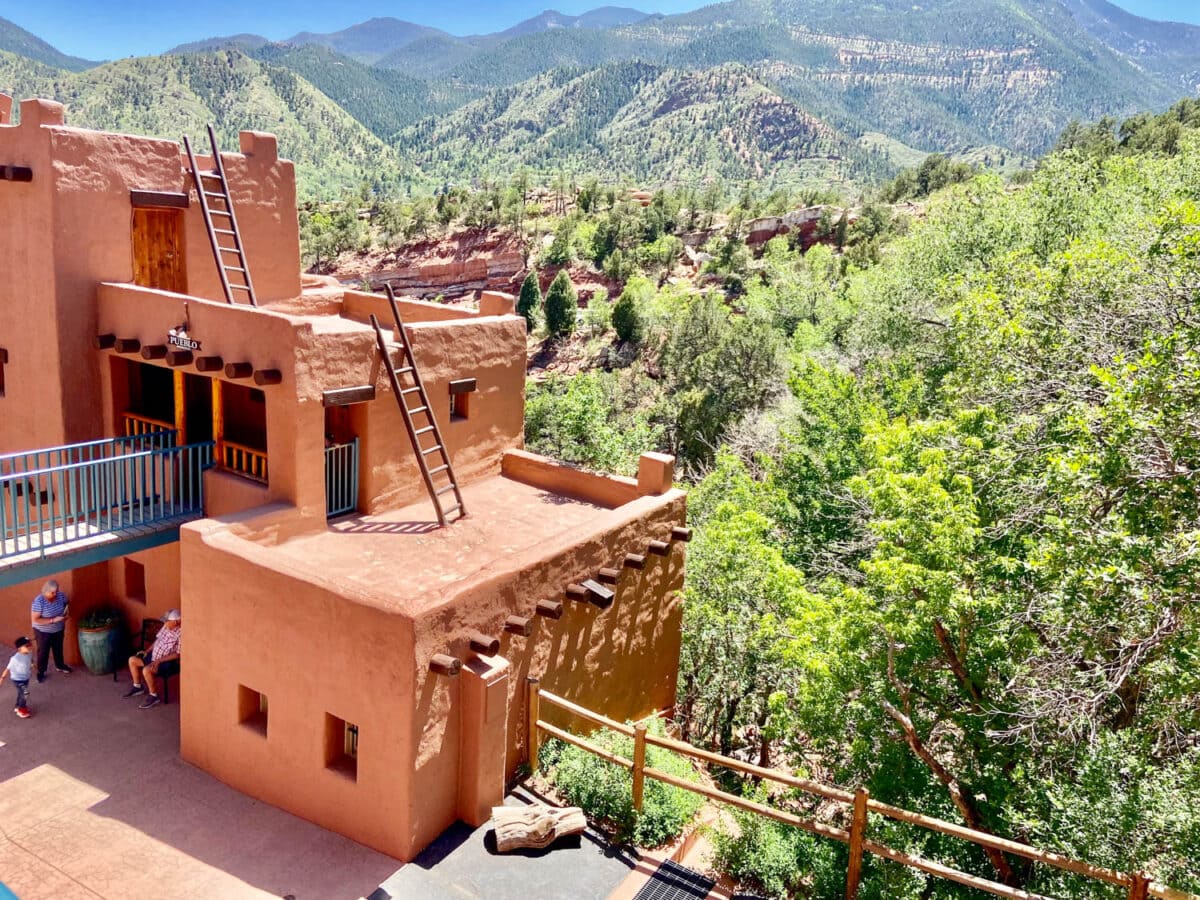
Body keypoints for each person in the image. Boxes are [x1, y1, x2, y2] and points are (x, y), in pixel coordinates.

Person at [122, 609, 181, 709]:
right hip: (153, 656)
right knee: (132, 660)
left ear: (175, 622)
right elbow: (158, 640)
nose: (164, 623)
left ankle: (154, 695)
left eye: (167, 621)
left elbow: (177, 654)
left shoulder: (181, 633)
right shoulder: (166, 627)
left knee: (146, 670)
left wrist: (159, 661)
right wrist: (147, 651)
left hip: (166, 662)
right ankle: (138, 687)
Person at [31, 580, 72, 682]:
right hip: (43, 631)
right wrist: (53, 620)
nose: (55, 594)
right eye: (52, 593)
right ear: (45, 591)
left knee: (58, 648)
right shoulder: (39, 601)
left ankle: (60, 665)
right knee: (43, 651)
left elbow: (67, 604)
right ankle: (41, 672)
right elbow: (35, 619)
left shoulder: (61, 596)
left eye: (56, 592)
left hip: (58, 629)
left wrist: (66, 613)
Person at [1, 637, 34, 718]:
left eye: (30, 644)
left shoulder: (29, 653)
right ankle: (21, 710)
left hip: (26, 677)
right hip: (17, 680)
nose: (30, 646)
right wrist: (1, 678)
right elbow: (7, 669)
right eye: (27, 645)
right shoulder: (15, 659)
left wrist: (33, 665)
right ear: (19, 648)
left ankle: (17, 706)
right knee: (25, 693)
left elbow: (30, 660)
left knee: (21, 693)